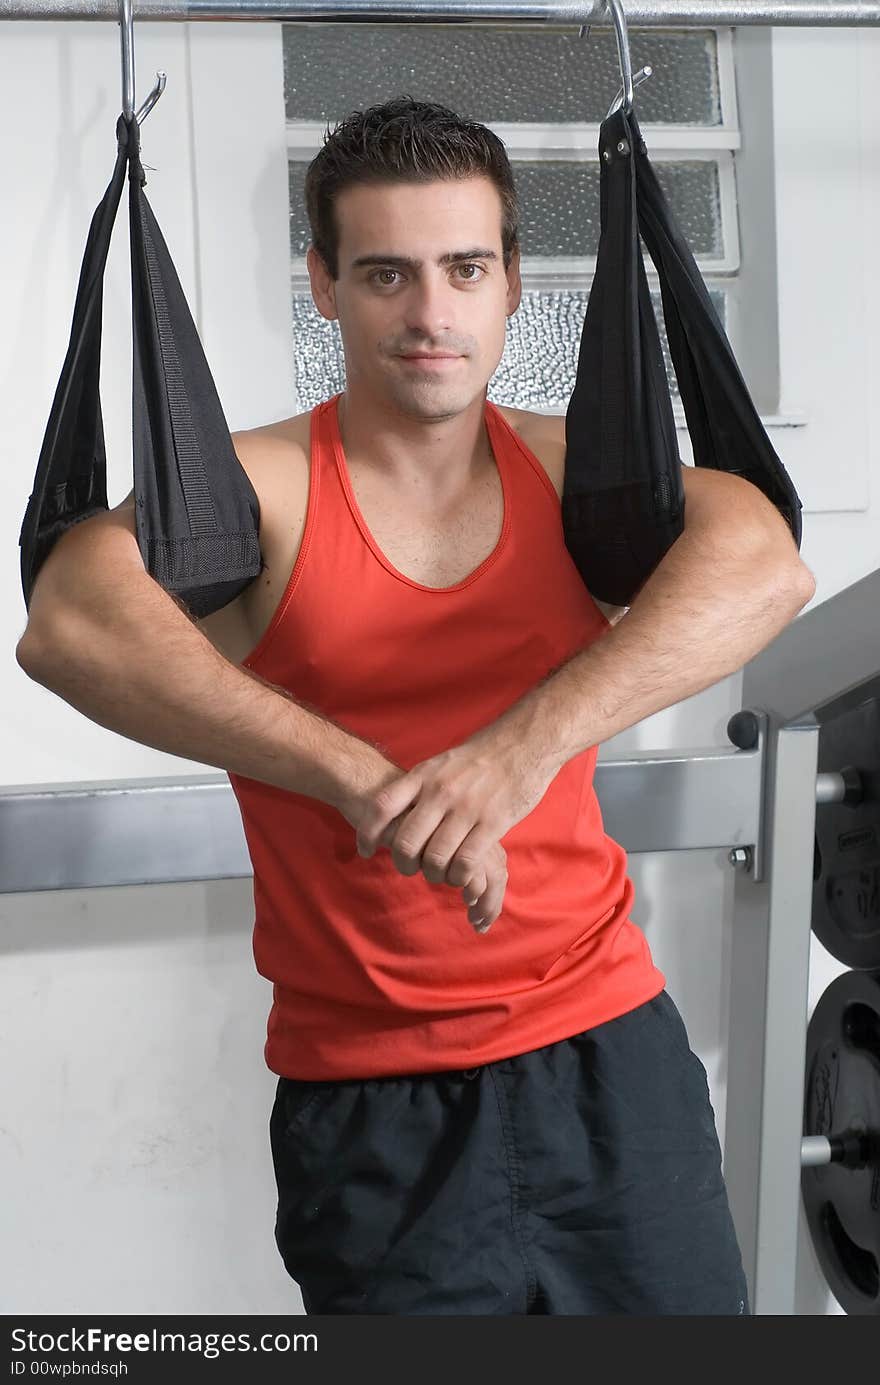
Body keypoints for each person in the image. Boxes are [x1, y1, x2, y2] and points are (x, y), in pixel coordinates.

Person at [17, 96, 815, 1316]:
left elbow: (767, 563)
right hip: (372, 1104)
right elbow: (66, 625)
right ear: (323, 285)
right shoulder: (260, 491)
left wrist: (516, 751)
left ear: (509, 286)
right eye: (385, 273)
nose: (431, 313)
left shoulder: (571, 476)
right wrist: (356, 773)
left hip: (610, 1058)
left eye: (464, 269)